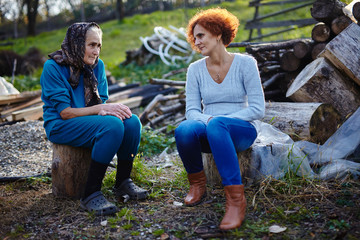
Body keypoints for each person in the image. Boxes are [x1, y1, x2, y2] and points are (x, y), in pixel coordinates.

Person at [40, 22, 148, 216]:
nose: (96, 51)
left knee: (131, 121)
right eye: (91, 45)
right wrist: (103, 109)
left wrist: (107, 109)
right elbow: (65, 112)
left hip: (87, 120)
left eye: (99, 45)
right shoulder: (53, 67)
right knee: (112, 126)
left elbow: (101, 101)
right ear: (77, 43)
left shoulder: (97, 66)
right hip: (61, 124)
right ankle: (91, 193)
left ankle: (122, 181)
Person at [175, 8, 265, 230]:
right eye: (194, 37)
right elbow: (192, 111)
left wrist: (221, 121)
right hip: (210, 129)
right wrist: (213, 120)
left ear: (217, 33)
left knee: (218, 124)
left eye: (201, 35)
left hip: (241, 129)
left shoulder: (246, 63)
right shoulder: (195, 69)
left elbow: (257, 108)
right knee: (184, 130)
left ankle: (236, 200)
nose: (196, 41)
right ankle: (197, 184)